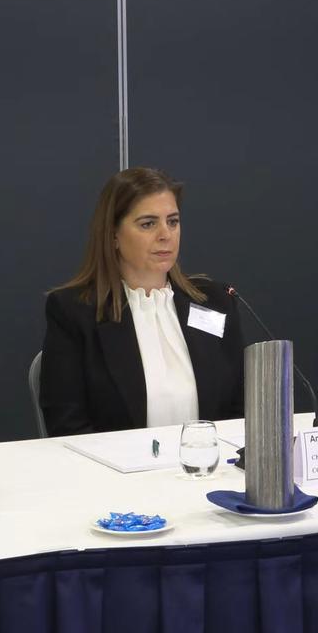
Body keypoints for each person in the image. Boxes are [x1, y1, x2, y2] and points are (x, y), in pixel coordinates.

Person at [40, 167, 244, 435]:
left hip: (209, 471)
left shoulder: (216, 301)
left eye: (173, 221)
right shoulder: (75, 312)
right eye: (148, 224)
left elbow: (242, 411)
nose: (165, 235)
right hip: (113, 474)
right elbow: (67, 426)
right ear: (113, 234)